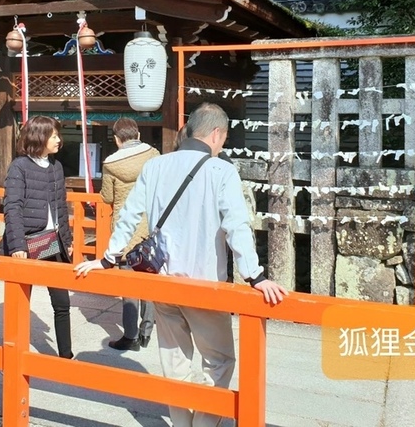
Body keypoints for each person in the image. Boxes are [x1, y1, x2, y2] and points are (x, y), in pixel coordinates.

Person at [75, 103, 287, 426]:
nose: (222, 144)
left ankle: (182, 423)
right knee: (218, 360)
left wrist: (107, 258)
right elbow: (237, 226)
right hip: (204, 285)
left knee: (174, 362)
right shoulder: (221, 171)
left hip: (164, 282)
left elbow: (129, 214)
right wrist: (254, 276)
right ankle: (203, 423)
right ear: (216, 134)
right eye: (223, 138)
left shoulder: (156, 166)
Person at [0, 116, 74, 359]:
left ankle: (66, 356)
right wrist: (17, 246)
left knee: (62, 302)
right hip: (28, 243)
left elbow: (61, 206)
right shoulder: (19, 166)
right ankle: (14, 354)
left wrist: (67, 240)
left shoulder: (56, 166)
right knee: (20, 301)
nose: (59, 140)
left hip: (53, 242)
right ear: (40, 137)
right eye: (54, 136)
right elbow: (12, 208)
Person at [99, 117, 160, 351]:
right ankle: (147, 331)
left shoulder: (111, 164)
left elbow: (107, 197)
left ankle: (130, 336)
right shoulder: (154, 155)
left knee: (128, 283)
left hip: (126, 227)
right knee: (149, 278)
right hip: (150, 224)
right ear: (138, 135)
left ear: (117, 139)